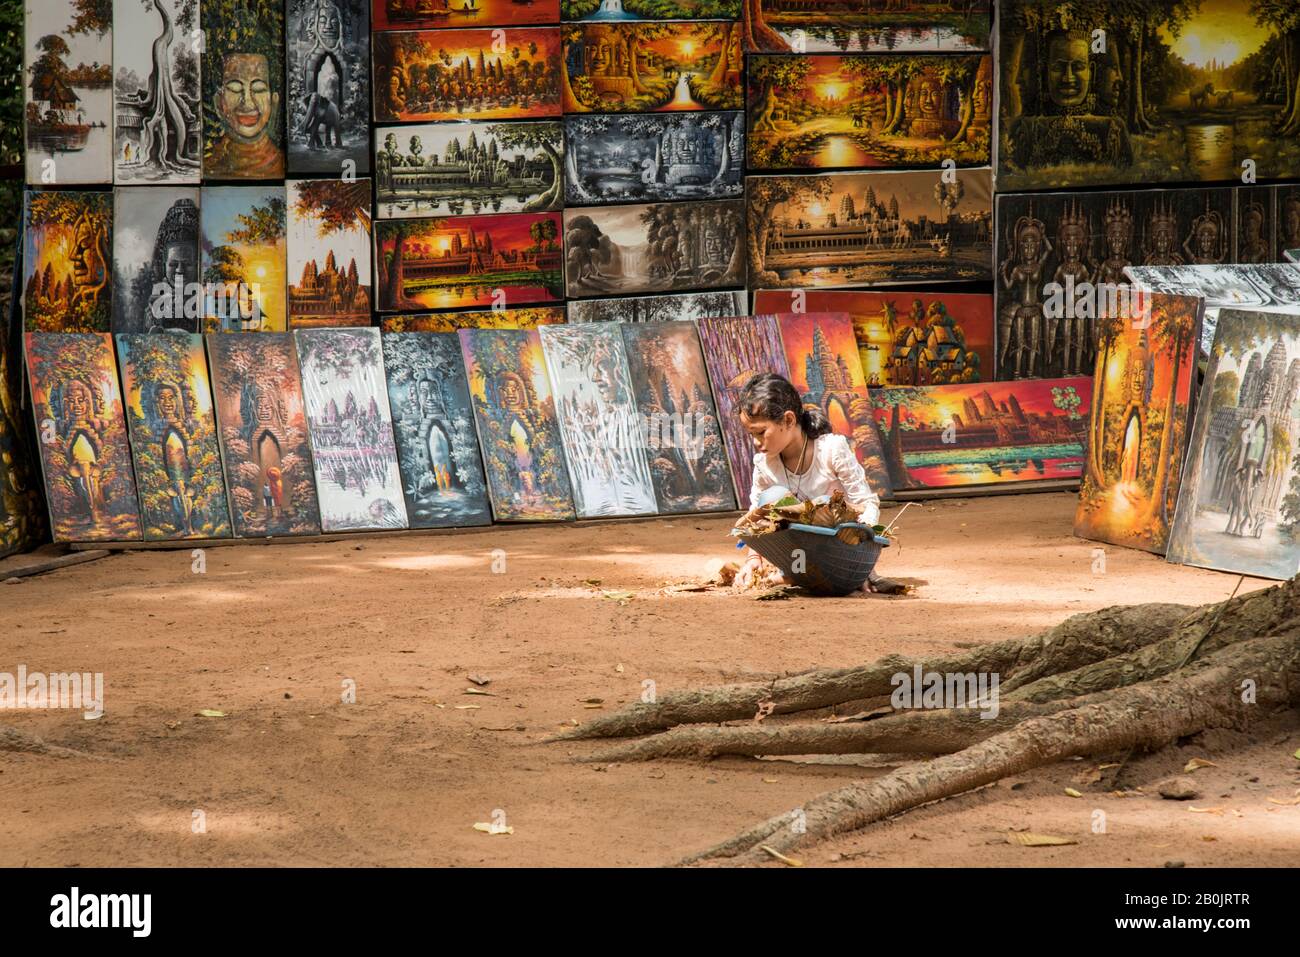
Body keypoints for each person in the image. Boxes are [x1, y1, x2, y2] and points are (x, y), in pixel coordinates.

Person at [731, 373, 904, 594]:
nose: (756, 442)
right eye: (751, 434)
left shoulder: (831, 450)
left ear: (789, 420)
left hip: (839, 552)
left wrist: (861, 563)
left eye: (761, 432)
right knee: (771, 498)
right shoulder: (765, 464)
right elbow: (756, 518)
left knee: (824, 503)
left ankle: (808, 576)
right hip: (797, 557)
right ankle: (793, 573)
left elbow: (865, 504)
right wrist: (753, 559)